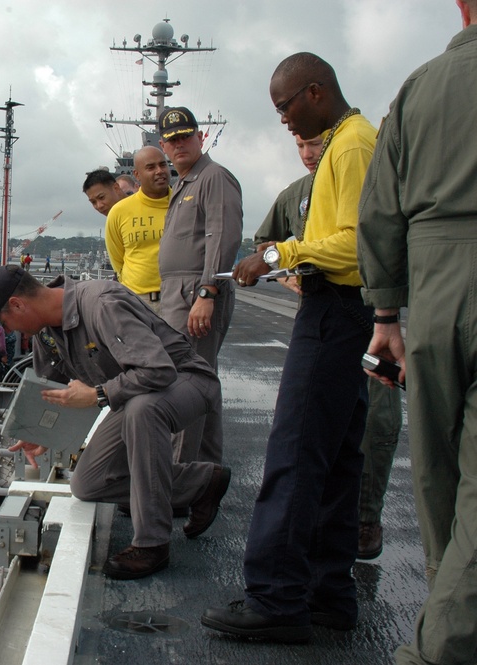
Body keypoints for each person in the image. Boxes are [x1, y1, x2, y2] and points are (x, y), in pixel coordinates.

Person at [202, 53, 377, 643]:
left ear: (315, 92)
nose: (281, 119)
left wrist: (279, 254)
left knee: (296, 452)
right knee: (337, 458)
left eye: (285, 106)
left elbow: (354, 246)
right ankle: (329, 594)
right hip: (352, 316)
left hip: (334, 312)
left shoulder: (350, 146)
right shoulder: (351, 140)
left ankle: (277, 598)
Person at [0, 265, 231, 579]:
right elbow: (50, 393)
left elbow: (159, 371)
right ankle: (202, 483)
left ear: (17, 304)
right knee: (87, 483)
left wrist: (99, 394)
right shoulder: (46, 334)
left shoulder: (101, 303)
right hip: (135, 394)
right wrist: (42, 432)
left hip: (186, 380)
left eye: (5, 322)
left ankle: (152, 543)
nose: (13, 332)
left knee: (142, 410)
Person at [357, 3, 477, 661]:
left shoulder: (418, 87)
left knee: (435, 472)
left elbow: (379, 210)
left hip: (432, 292)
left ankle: (446, 607)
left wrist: (384, 314)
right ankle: (443, 646)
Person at [255, 133, 403, 562]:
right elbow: (265, 246)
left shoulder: (362, 162)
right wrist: (289, 275)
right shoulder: (295, 195)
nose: (307, 154)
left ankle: (365, 518)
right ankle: (331, 552)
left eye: (314, 143)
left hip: (367, 310)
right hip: (327, 306)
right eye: (299, 146)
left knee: (375, 424)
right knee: (326, 437)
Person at [156, 106, 243, 466]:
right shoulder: (187, 182)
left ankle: (179, 476)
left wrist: (208, 292)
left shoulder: (213, 177)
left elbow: (222, 235)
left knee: (186, 384)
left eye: (185, 137)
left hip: (196, 292)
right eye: (172, 140)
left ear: (200, 137)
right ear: (163, 145)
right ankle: (203, 473)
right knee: (199, 383)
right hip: (180, 292)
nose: (179, 145)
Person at [104, 146, 170, 311]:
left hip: (177, 300)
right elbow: (118, 261)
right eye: (150, 167)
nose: (159, 171)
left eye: (163, 165)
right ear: (137, 175)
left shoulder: (184, 204)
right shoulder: (119, 211)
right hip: (136, 302)